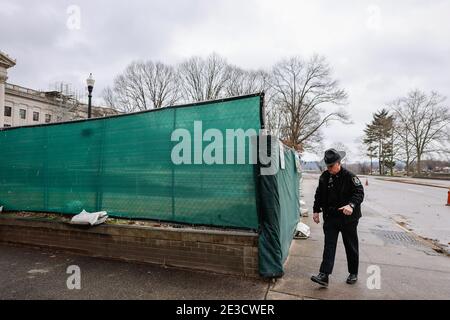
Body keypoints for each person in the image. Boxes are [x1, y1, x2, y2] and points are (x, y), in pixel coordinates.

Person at [310, 148, 364, 287]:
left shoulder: (350, 176)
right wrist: (316, 210)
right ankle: (324, 275)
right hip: (331, 217)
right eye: (327, 166)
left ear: (339, 163)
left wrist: (351, 205)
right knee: (329, 245)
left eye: (331, 166)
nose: (329, 169)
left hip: (348, 218)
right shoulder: (324, 177)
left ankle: (353, 273)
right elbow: (319, 194)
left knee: (350, 246)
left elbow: (359, 192)